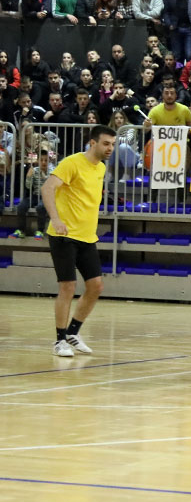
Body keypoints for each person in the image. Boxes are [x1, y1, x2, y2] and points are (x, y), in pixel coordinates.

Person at [40, 125, 116, 357]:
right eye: (106, 143)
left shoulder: (101, 168)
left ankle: (73, 332)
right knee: (68, 286)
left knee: (96, 286)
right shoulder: (72, 163)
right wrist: (56, 219)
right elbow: (47, 188)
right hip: (64, 236)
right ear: (93, 143)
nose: (110, 148)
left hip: (86, 237)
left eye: (113, 144)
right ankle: (59, 340)